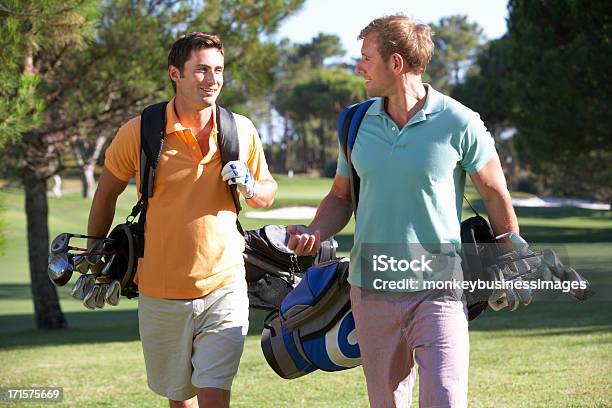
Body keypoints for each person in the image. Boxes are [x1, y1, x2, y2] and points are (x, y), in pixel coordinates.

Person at [287, 14, 518, 408]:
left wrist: (513, 256)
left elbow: (496, 193)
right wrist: (315, 231)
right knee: (387, 402)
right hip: (371, 288)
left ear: (396, 63)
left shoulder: (459, 121)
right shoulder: (355, 123)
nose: (358, 67)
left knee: (445, 398)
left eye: (366, 57)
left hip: (439, 287)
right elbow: (341, 197)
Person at [87, 32, 277, 408]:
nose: (213, 79)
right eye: (202, 70)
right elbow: (106, 193)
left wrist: (251, 184)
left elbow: (266, 194)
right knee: (180, 397)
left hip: (225, 284)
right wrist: (95, 252)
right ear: (175, 73)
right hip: (160, 290)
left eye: (219, 70)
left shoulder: (240, 130)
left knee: (213, 392)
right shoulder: (140, 131)